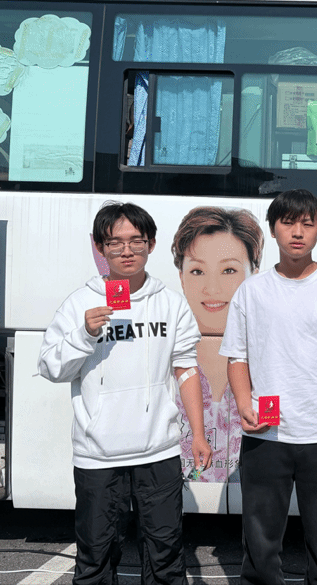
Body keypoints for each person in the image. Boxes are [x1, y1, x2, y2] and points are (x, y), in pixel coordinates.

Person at [38, 201, 210, 585]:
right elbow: (51, 368)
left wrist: (197, 434)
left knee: (165, 557)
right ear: (101, 247)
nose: (127, 250)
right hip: (98, 455)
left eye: (137, 241)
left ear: (152, 244)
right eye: (115, 243)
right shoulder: (81, 303)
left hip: (158, 451)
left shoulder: (170, 303)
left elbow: (185, 369)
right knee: (95, 558)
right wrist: (84, 334)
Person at [220, 188, 317, 585]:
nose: (297, 232)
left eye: (308, 224)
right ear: (273, 229)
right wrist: (244, 403)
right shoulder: (252, 291)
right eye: (288, 222)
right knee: (260, 549)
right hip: (265, 436)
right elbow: (236, 357)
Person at [171, 206, 264, 483]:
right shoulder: (165, 360)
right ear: (182, 278)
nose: (212, 289)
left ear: (254, 274)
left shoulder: (268, 353)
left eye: (229, 270)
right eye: (198, 271)